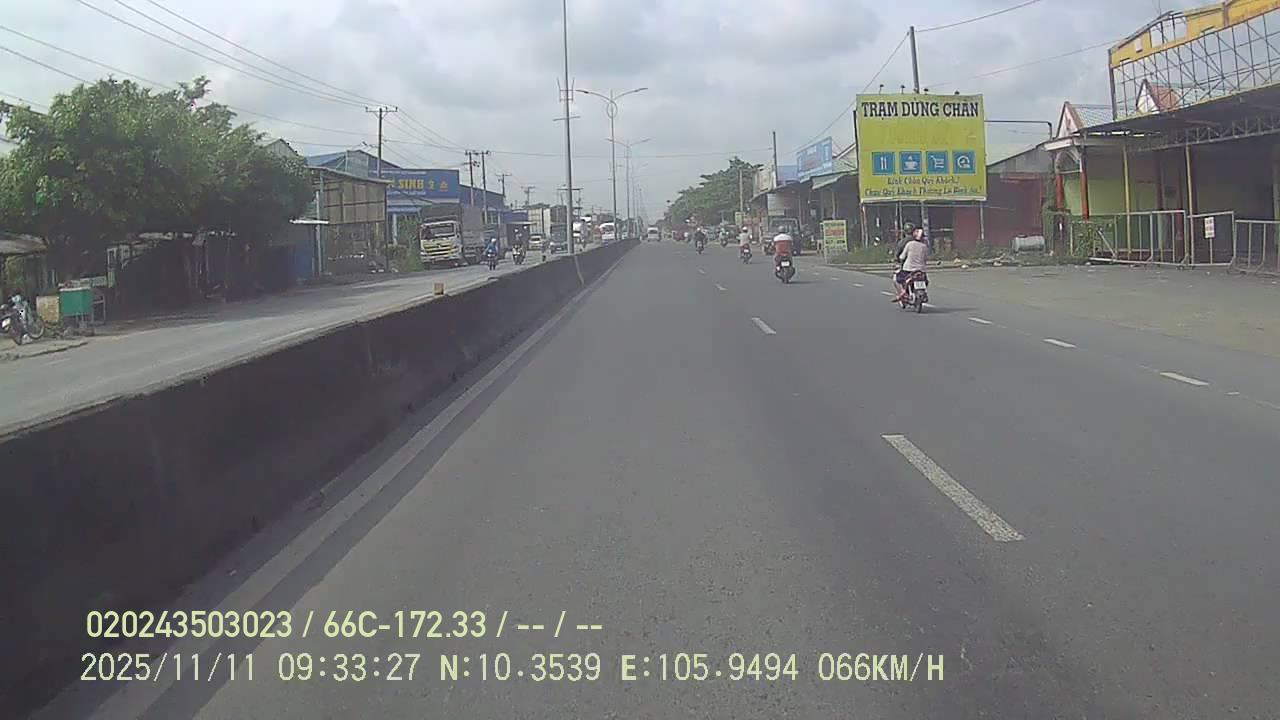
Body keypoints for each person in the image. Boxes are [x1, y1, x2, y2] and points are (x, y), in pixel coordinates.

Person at [894, 229, 930, 302]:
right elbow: (926, 258)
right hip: (921, 270)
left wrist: (899, 259)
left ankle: (903, 293)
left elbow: (902, 256)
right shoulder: (924, 246)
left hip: (908, 269)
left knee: (896, 279)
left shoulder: (909, 244)